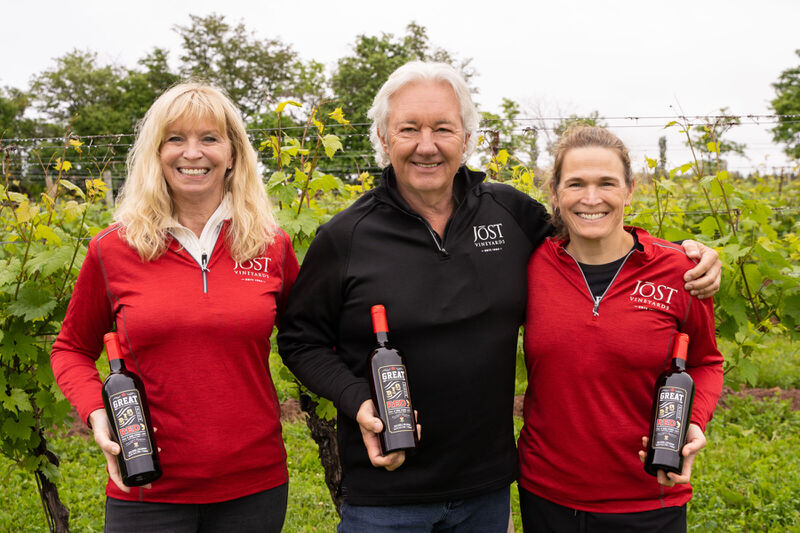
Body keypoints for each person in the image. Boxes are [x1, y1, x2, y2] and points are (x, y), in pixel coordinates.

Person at [277, 61, 721, 532]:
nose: (427, 145)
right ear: (384, 139)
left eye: (443, 128)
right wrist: (358, 400)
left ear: (466, 138)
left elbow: (594, 232)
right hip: (387, 494)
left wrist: (686, 254)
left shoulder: (510, 213)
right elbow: (300, 339)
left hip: (486, 493)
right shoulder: (346, 236)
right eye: (409, 129)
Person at [50, 82, 298, 533]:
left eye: (209, 138)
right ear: (156, 152)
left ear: (234, 153)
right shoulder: (113, 248)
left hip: (254, 488)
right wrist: (96, 410)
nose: (192, 153)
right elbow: (69, 348)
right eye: (175, 139)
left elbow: (310, 340)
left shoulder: (271, 245)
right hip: (147, 488)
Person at [517, 126, 724, 532]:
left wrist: (694, 421)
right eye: (576, 184)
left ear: (629, 191)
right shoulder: (529, 265)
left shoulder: (680, 272)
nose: (591, 199)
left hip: (648, 496)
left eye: (606, 184)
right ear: (556, 195)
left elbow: (706, 362)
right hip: (546, 494)